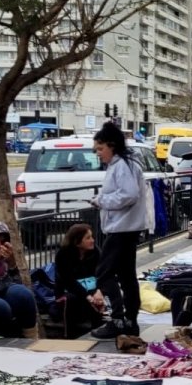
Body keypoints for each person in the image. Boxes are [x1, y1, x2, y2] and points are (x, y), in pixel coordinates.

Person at [89, 121, 148, 339]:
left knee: (104, 274)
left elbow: (129, 195)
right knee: (126, 276)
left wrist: (102, 200)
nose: (98, 154)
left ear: (112, 145)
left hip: (122, 229)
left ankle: (118, 318)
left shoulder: (122, 165)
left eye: (100, 149)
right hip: (125, 227)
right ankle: (129, 321)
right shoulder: (125, 164)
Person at [54, 224, 103, 338]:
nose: (92, 240)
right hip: (70, 291)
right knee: (72, 299)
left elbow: (102, 274)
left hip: (91, 289)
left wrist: (98, 291)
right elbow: (68, 281)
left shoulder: (95, 252)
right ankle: (70, 336)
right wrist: (87, 296)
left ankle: (98, 331)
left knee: (99, 298)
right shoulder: (63, 255)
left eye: (92, 237)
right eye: (88, 238)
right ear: (77, 242)